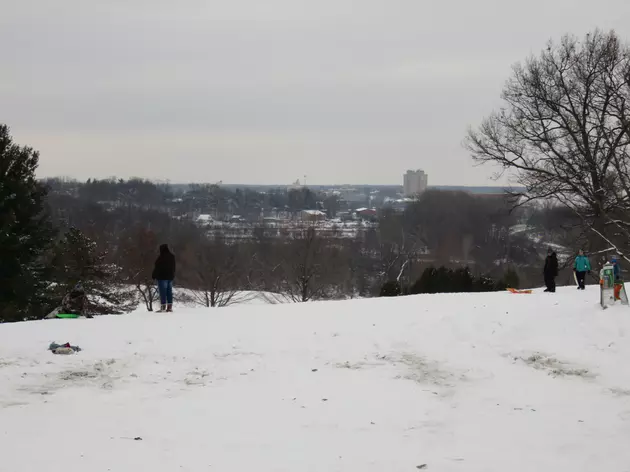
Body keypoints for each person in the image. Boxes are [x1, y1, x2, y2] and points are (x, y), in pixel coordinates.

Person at [152, 244, 176, 312]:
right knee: (169, 292)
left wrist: (153, 276)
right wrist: (173, 275)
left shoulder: (161, 257)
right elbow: (174, 267)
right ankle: (169, 307)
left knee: (163, 292)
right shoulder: (172, 257)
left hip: (162, 277)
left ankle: (163, 307)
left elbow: (157, 268)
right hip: (170, 277)